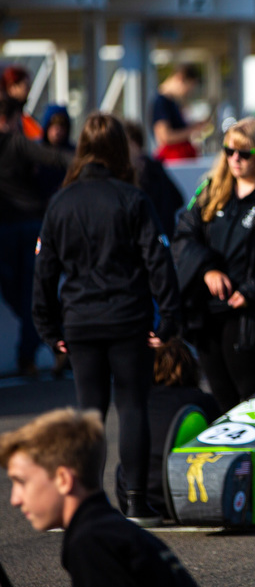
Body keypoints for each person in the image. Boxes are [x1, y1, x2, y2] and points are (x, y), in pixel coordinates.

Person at [32, 112, 181, 526]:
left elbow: (44, 270)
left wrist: (47, 328)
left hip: (79, 319)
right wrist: (168, 318)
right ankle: (135, 502)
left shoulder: (61, 202)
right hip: (127, 318)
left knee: (88, 413)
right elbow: (159, 260)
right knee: (132, 406)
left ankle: (85, 501)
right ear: (119, 150)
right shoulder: (132, 199)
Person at [172, 117, 255, 412]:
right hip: (208, 316)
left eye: (244, 153)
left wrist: (251, 290)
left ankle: (254, 458)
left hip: (253, 319)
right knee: (222, 400)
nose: (235, 159)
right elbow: (183, 236)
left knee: (252, 402)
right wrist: (207, 269)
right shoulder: (209, 191)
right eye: (229, 151)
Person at [0, 408, 202, 587]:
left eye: (21, 482)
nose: (15, 499)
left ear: (63, 479)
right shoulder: (110, 528)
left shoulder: (92, 541)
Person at [0, 96, 71, 377]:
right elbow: (54, 157)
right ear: (13, 117)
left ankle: (37, 349)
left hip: (15, 228)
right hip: (26, 226)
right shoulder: (18, 142)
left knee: (20, 294)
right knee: (29, 295)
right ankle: (53, 339)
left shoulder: (17, 143)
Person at [116, 338, 220, 514]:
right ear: (191, 366)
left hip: (135, 496)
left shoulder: (136, 402)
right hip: (183, 495)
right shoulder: (203, 401)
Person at [124, 120, 185, 240]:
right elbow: (178, 199)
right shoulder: (155, 166)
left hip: (152, 240)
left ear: (133, 144)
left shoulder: (141, 171)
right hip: (165, 236)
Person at [151, 63, 208, 162]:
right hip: (173, 162)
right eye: (188, 89)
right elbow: (165, 137)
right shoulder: (161, 102)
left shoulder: (172, 101)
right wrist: (192, 130)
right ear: (180, 79)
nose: (188, 94)